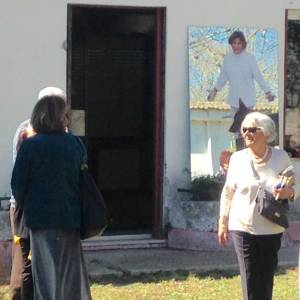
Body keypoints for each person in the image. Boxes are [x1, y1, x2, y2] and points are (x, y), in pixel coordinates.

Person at [11, 87, 92, 300]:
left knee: (46, 279)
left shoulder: (29, 146)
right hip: (70, 219)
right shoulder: (75, 144)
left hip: (41, 222)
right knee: (70, 278)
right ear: (61, 117)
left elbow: (17, 187)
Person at [218, 112, 300, 300]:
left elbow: (296, 185)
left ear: (267, 133)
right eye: (244, 130)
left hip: (271, 227)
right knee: (250, 277)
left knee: (266, 276)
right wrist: (222, 221)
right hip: (242, 227)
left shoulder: (281, 158)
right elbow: (228, 192)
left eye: (253, 129)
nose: (247, 133)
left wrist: (289, 192)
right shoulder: (237, 159)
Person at [208, 31, 274, 116]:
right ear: (231, 43)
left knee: (246, 127)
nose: (236, 46)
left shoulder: (250, 58)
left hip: (248, 101)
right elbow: (223, 77)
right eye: (234, 43)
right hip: (234, 100)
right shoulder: (228, 58)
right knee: (235, 127)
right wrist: (215, 91)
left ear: (243, 44)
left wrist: (268, 92)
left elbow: (258, 76)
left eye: (239, 43)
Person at [9, 121, 34, 300]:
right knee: (25, 261)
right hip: (23, 208)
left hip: (21, 206)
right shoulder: (28, 131)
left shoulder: (25, 128)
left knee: (23, 260)